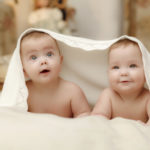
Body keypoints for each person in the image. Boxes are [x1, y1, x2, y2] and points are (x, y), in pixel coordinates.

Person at [20, 31, 91, 118]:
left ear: (60, 61)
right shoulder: (23, 92)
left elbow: (85, 116)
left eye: (49, 54)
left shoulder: (72, 91)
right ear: (24, 71)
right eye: (33, 57)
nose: (43, 61)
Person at [91, 39, 150, 124]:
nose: (123, 73)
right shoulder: (108, 95)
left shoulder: (147, 97)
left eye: (132, 66)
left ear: (146, 72)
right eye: (116, 67)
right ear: (108, 73)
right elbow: (98, 118)